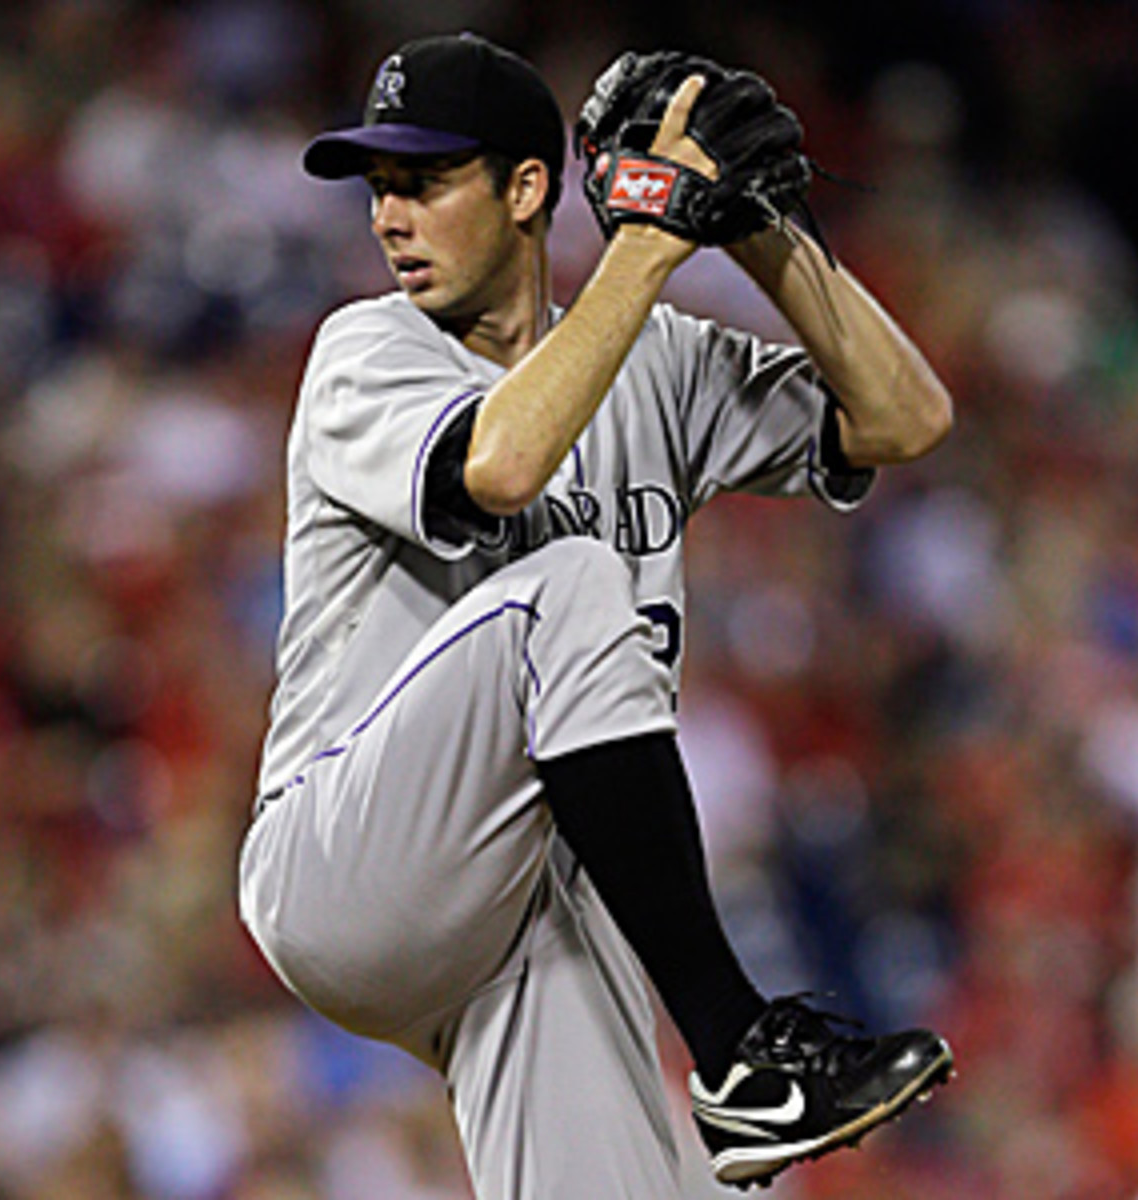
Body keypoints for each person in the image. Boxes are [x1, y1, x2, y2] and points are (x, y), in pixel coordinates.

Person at [239, 32, 955, 1198]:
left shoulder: (652, 358)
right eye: (379, 190)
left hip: (524, 904)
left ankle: (735, 1077)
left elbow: (903, 418)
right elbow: (507, 464)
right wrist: (651, 240)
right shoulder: (365, 350)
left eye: (423, 181)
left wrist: (759, 230)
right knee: (571, 583)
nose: (389, 218)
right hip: (347, 859)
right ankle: (736, 1045)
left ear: (527, 188)